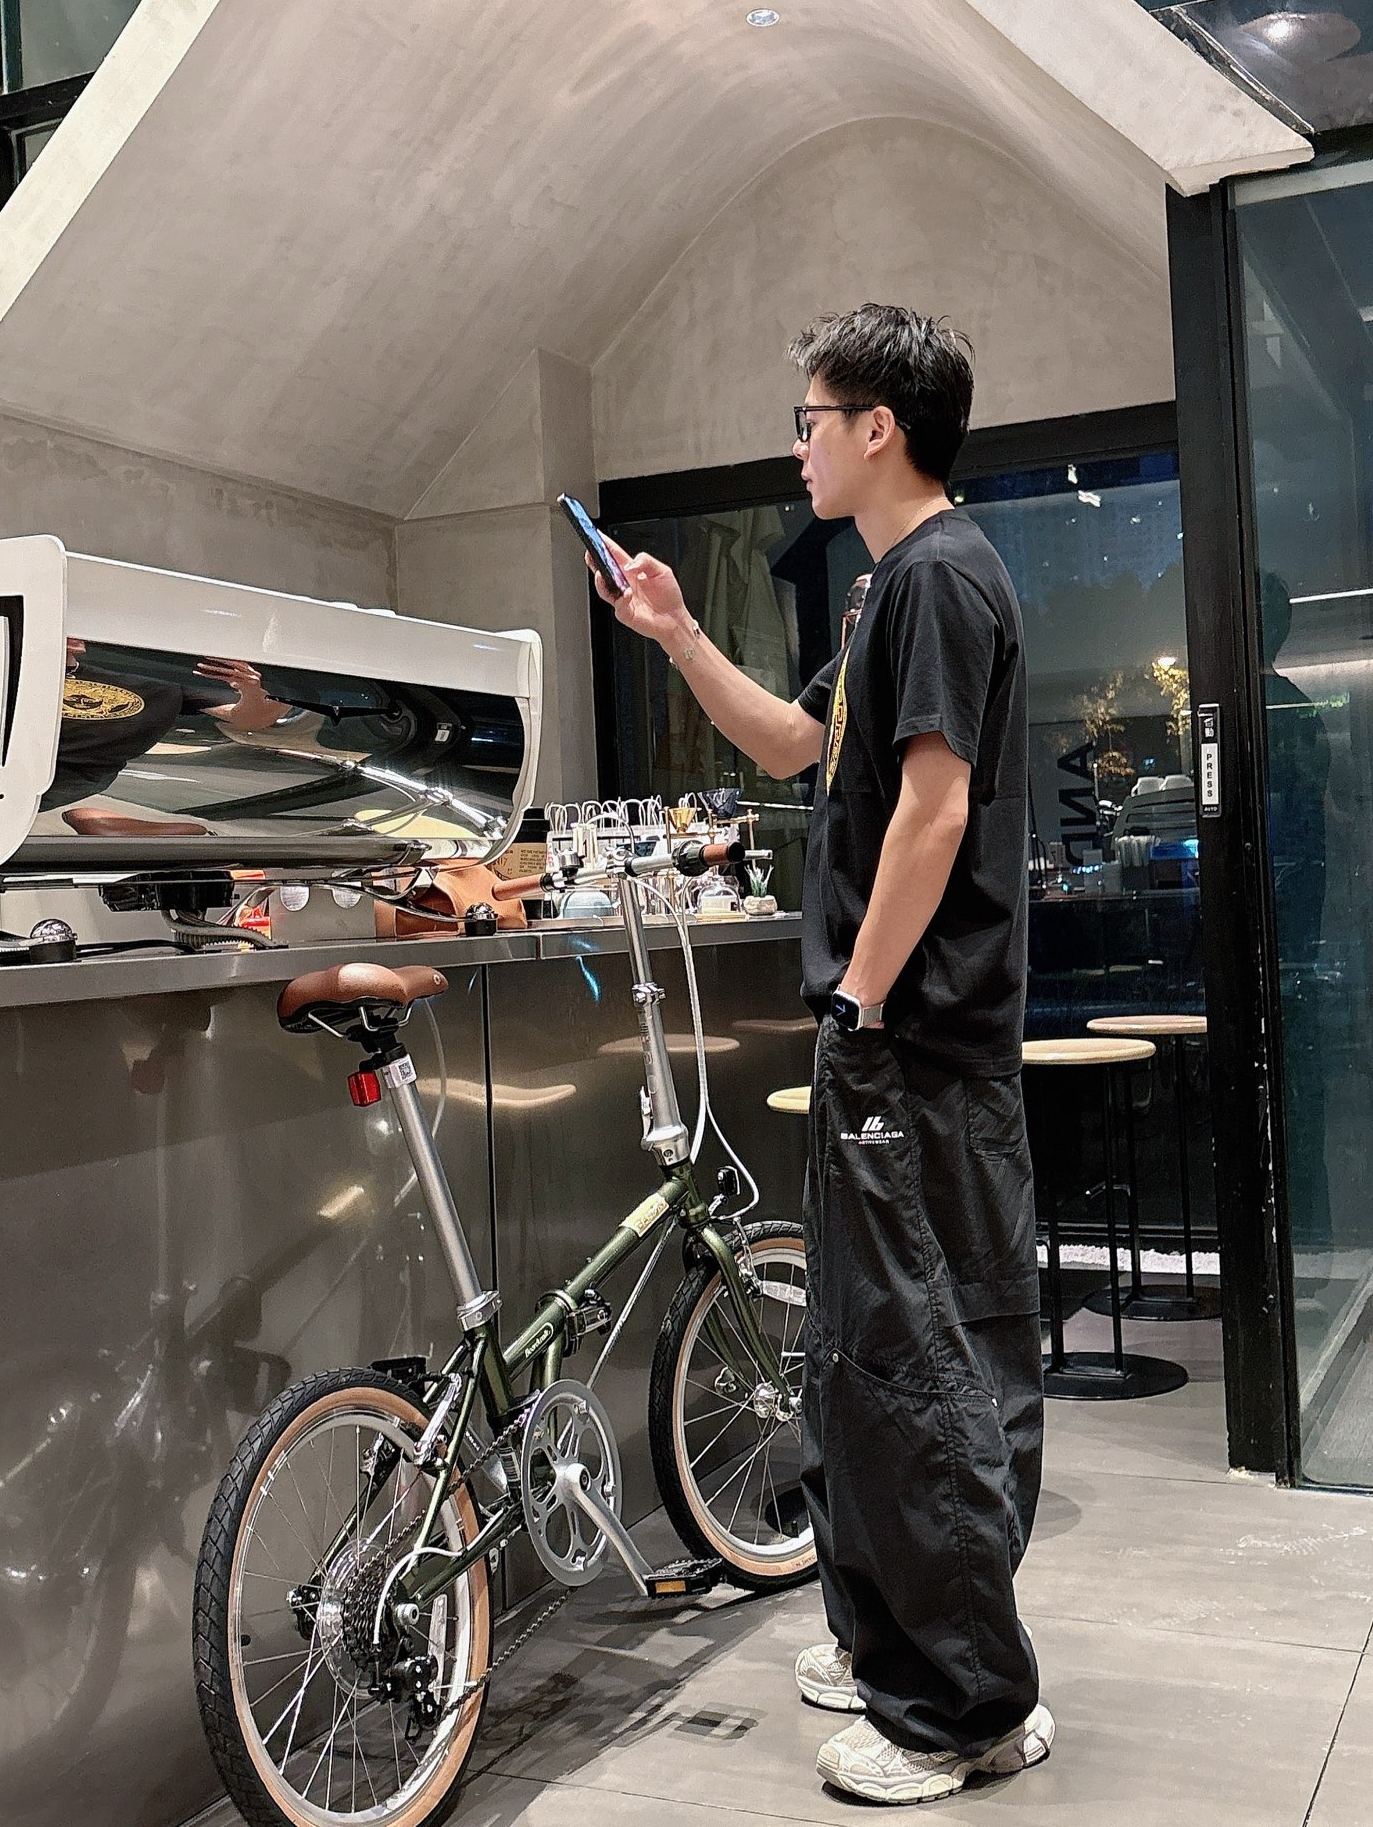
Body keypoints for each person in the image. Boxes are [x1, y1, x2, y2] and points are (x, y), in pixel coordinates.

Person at [589, 303, 1051, 1805]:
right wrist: (675, 633)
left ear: (878, 428)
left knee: (928, 1366)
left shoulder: (941, 577)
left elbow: (935, 808)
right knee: (863, 1362)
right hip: (886, 1043)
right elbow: (798, 750)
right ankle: (892, 1641)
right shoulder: (883, 592)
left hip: (917, 1044)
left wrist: (857, 1002)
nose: (797, 447)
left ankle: (964, 1709)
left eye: (812, 420)